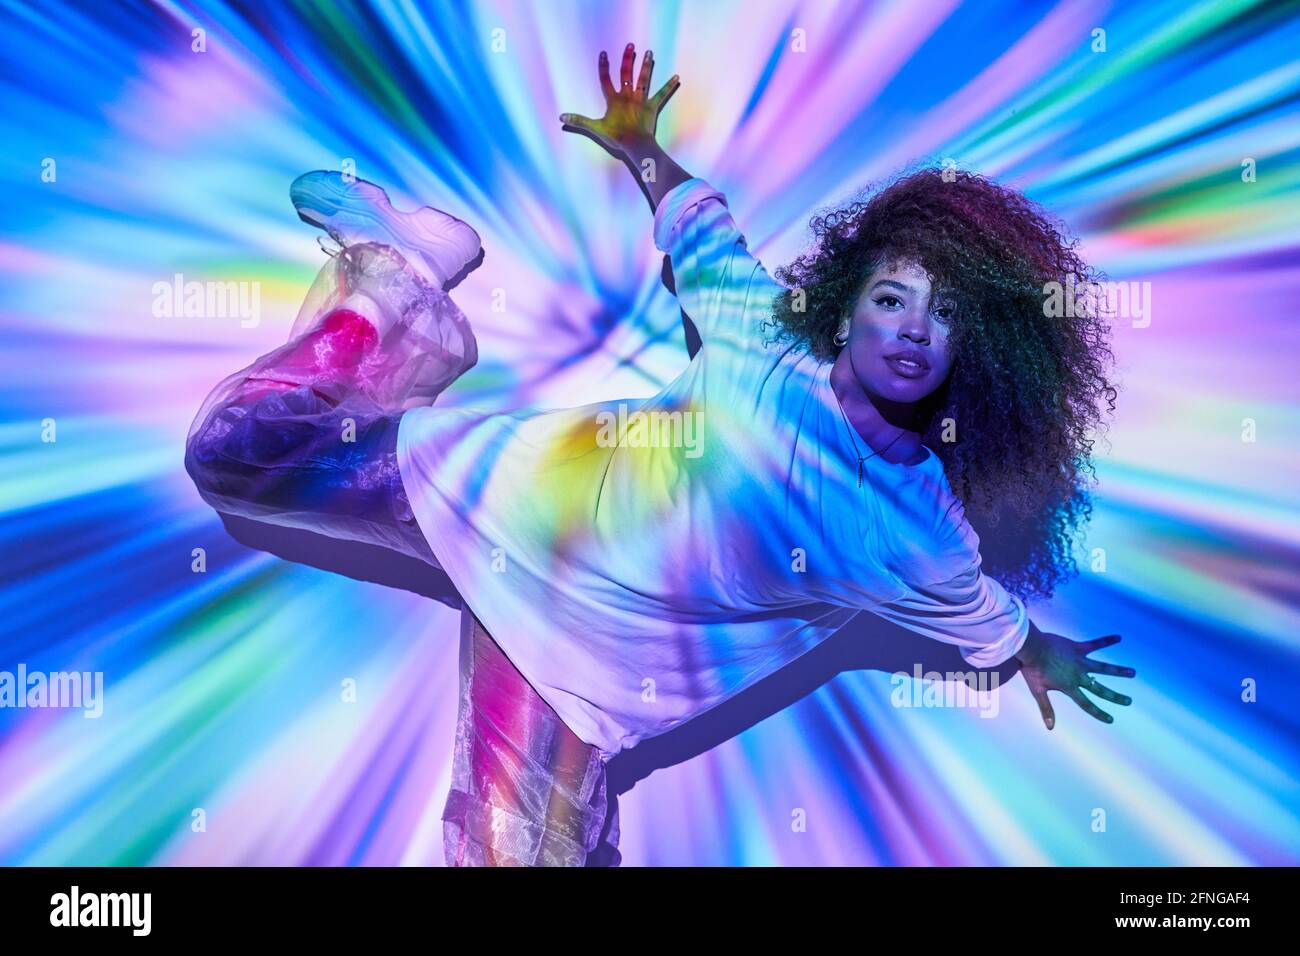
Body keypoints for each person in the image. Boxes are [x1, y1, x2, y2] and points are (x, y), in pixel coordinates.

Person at [185, 43, 1135, 867]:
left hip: (573, 665)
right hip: (492, 494)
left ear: (982, 353)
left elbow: (992, 624)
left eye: (947, 315)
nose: (914, 328)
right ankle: (401, 274)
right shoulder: (767, 337)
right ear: (847, 304)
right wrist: (641, 146)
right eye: (893, 298)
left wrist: (1043, 657)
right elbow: (701, 229)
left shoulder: (920, 533)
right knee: (229, 450)